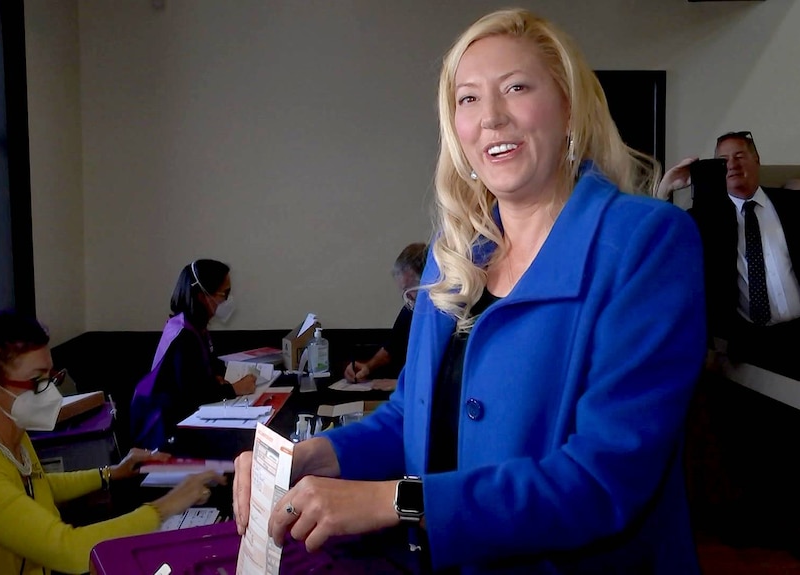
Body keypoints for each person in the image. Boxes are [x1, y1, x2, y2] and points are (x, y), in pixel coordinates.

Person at [233, 8, 706, 574]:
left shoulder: (645, 243)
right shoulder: (454, 252)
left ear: (569, 107)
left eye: (516, 88)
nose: (492, 118)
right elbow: (412, 414)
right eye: (469, 99)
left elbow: (602, 481)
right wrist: (318, 457)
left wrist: (393, 500)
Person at [0, 310, 225, 574]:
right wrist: (165, 507)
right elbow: (70, 549)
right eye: (38, 381)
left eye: (53, 376)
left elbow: (37, 486)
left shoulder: (9, 433)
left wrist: (111, 473)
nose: (51, 392)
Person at [657, 132, 800, 378]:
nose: (732, 164)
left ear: (756, 159)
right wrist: (665, 189)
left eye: (739, 156)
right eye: (723, 160)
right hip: (744, 346)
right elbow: (660, 249)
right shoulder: (704, 219)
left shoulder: (792, 205)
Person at [130, 259, 256, 450]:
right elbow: (192, 395)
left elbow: (202, 370)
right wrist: (235, 389)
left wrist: (215, 377)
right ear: (202, 296)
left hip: (180, 418)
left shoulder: (193, 326)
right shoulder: (183, 335)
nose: (227, 300)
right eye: (225, 293)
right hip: (164, 431)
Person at [344, 242, 428, 390]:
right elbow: (391, 348)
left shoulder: (449, 317)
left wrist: (404, 385)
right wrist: (368, 367)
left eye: (410, 290)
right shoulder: (410, 307)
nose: (408, 299)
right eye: (404, 292)